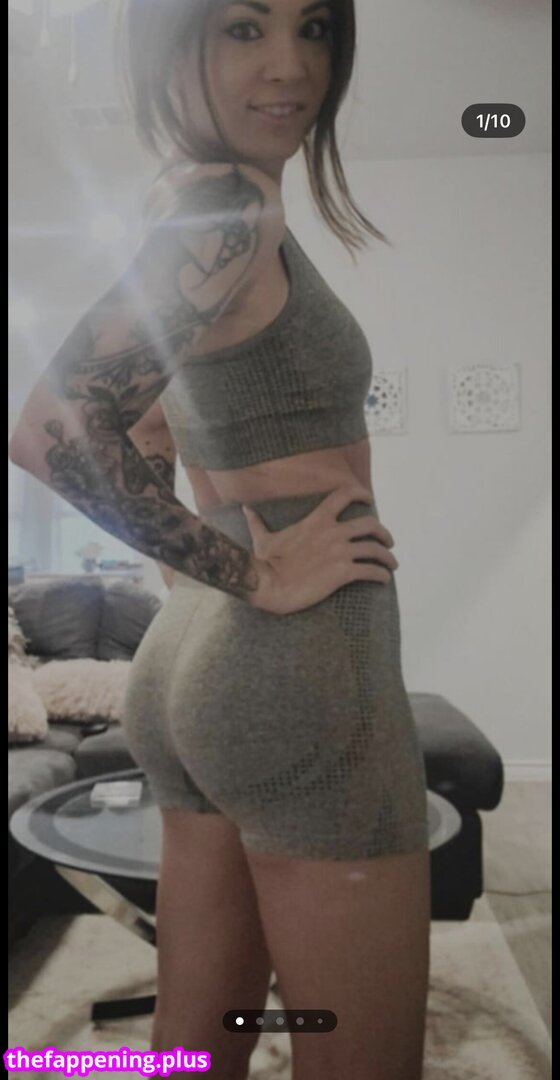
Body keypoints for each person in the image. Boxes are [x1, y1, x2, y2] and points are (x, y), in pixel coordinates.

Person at [9, 1, 431, 1077]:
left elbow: (150, 426)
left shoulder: (182, 197)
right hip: (299, 663)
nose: (290, 65)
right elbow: (54, 428)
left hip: (192, 658)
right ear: (173, 40)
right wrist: (261, 576)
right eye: (243, 27)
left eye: (315, 27)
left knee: (200, 1042)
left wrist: (204, 584)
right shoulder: (229, 203)